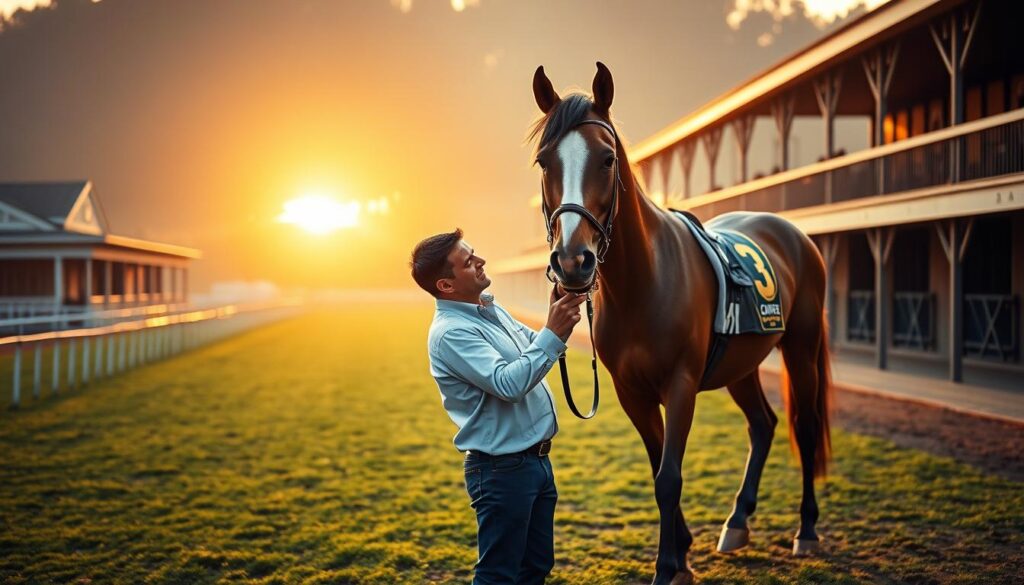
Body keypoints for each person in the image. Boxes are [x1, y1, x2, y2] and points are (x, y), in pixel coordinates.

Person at [410, 228, 586, 584]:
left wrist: (559, 314)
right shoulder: (451, 332)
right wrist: (553, 334)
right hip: (502, 471)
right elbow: (509, 383)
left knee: (535, 567)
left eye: (474, 252)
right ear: (446, 286)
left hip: (534, 462)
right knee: (498, 576)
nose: (481, 261)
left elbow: (534, 346)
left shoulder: (488, 306)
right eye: (468, 261)